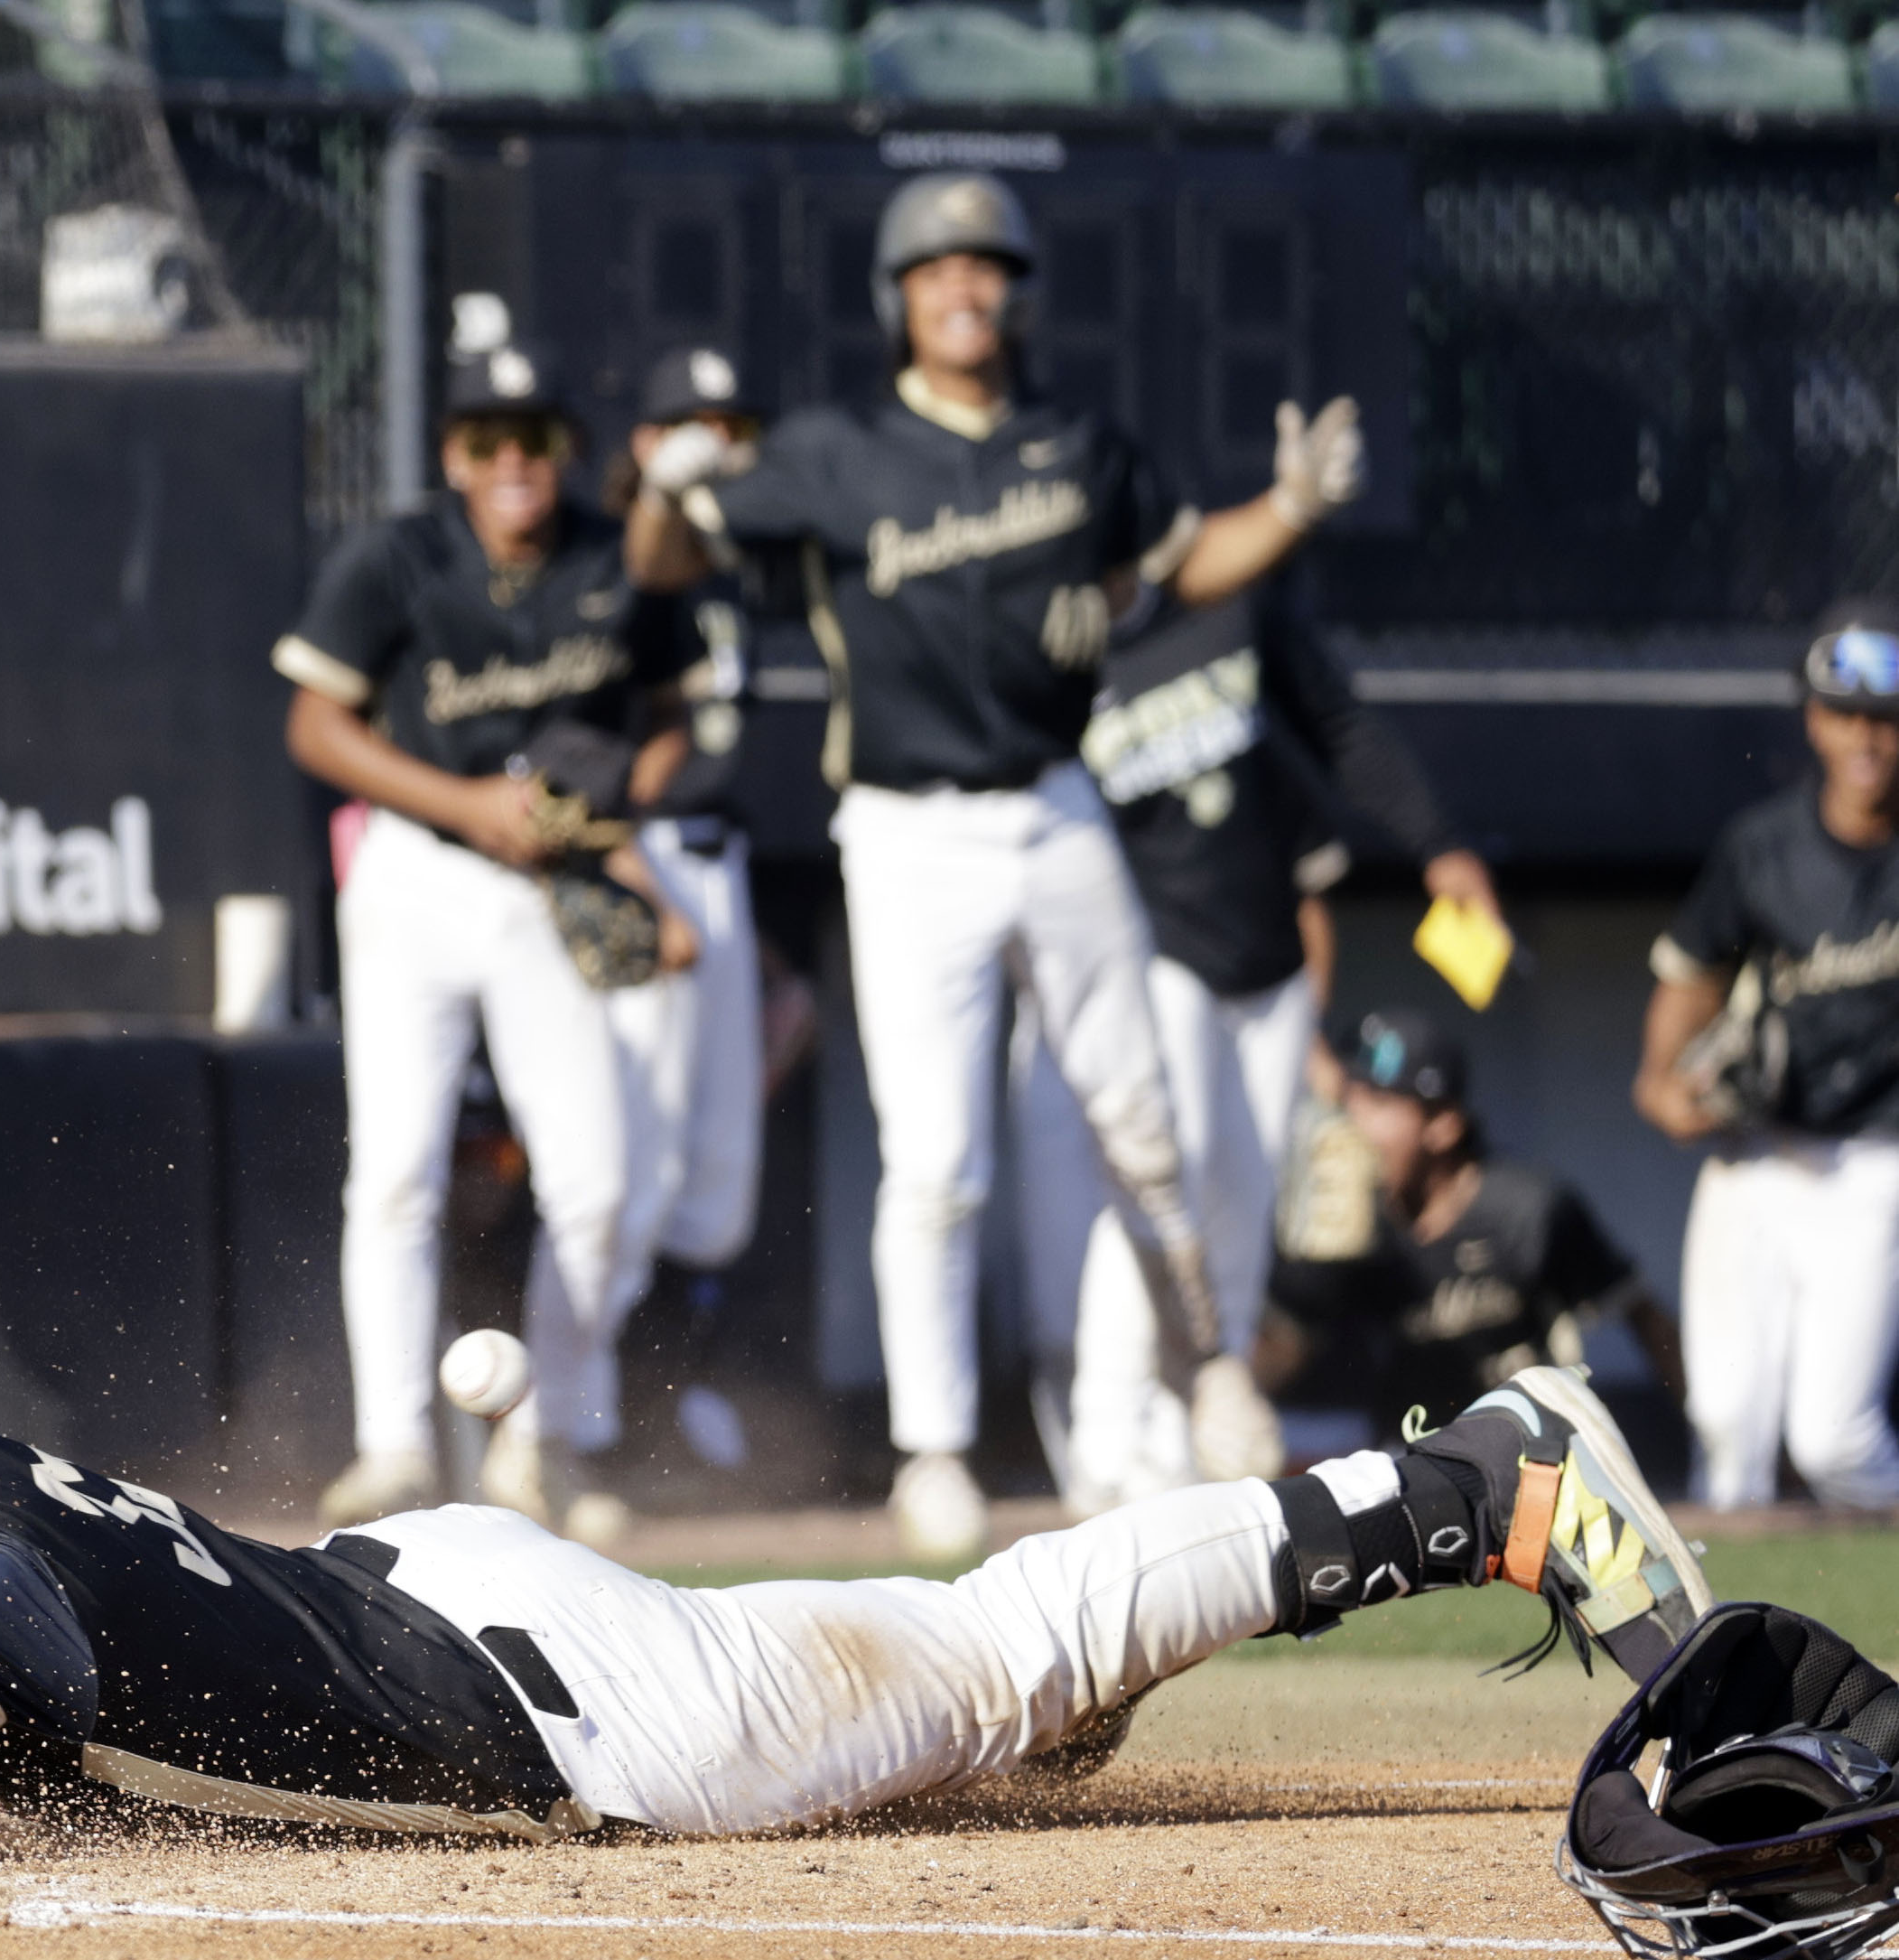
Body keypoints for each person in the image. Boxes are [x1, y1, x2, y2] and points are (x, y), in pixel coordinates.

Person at [0, 1256, 1713, 1886]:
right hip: (426, 1577)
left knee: (1005, 1627)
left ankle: (1476, 1474)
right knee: (984, 1668)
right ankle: (1095, 1667)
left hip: (597, 1710)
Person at [628, 172, 1367, 1557]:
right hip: (908, 831)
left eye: (985, 267)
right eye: (935, 269)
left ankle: (1211, 1368)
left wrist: (1292, 505)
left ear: (1015, 291)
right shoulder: (836, 450)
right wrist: (666, 489)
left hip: (1056, 803)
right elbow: (668, 562)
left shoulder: (1075, 441)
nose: (962, 287)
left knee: (1142, 1128)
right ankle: (935, 1452)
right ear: (899, 298)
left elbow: (1190, 560)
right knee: (938, 1161)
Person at [285, 329, 691, 1535]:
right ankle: (395, 1446)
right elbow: (315, 724)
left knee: (600, 1184)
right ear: (454, 453)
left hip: (547, 887)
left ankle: (543, 1440)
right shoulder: (400, 554)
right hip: (418, 868)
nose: (514, 460)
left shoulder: (613, 559)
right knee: (398, 1170)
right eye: (486, 439)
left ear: (564, 449)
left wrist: (616, 808)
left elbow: (671, 719)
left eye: (535, 438)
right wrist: (465, 802)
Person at [1011, 580, 1496, 1512]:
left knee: (1239, 1202)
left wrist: (1434, 843)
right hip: (1153, 961)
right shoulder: (1059, 654)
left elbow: (1337, 751)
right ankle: (1108, 1445)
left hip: (1263, 972)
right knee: (1160, 1185)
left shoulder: (1230, 624)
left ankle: (1197, 1431)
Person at [1635, 602, 1899, 1512]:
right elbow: (1689, 972)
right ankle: (1730, 1644)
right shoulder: (1762, 846)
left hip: (1870, 1158)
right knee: (1724, 1422)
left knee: (1833, 1440)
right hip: (1751, 1153)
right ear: (1814, 720)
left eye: (1886, 718)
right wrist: (1659, 1080)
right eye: (1847, 714)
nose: (1867, 737)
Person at [606, 346, 778, 1462]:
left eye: (730, 424)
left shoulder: (747, 566)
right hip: (636, 861)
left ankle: (667, 1397)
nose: (714, 443)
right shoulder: (622, 560)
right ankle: (591, 1417)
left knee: (719, 1174)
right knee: (627, 1158)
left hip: (724, 868)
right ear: (644, 445)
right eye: (688, 425)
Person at [1266, 1008, 1680, 1445]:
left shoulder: (1527, 1211)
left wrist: (1709, 1441)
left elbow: (1641, 1314)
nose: (1355, 1122)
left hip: (1528, 1457)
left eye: (1380, 1103)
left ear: (1443, 1125)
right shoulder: (1353, 1229)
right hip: (1408, 1464)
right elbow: (1282, 1351)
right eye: (1351, 1100)